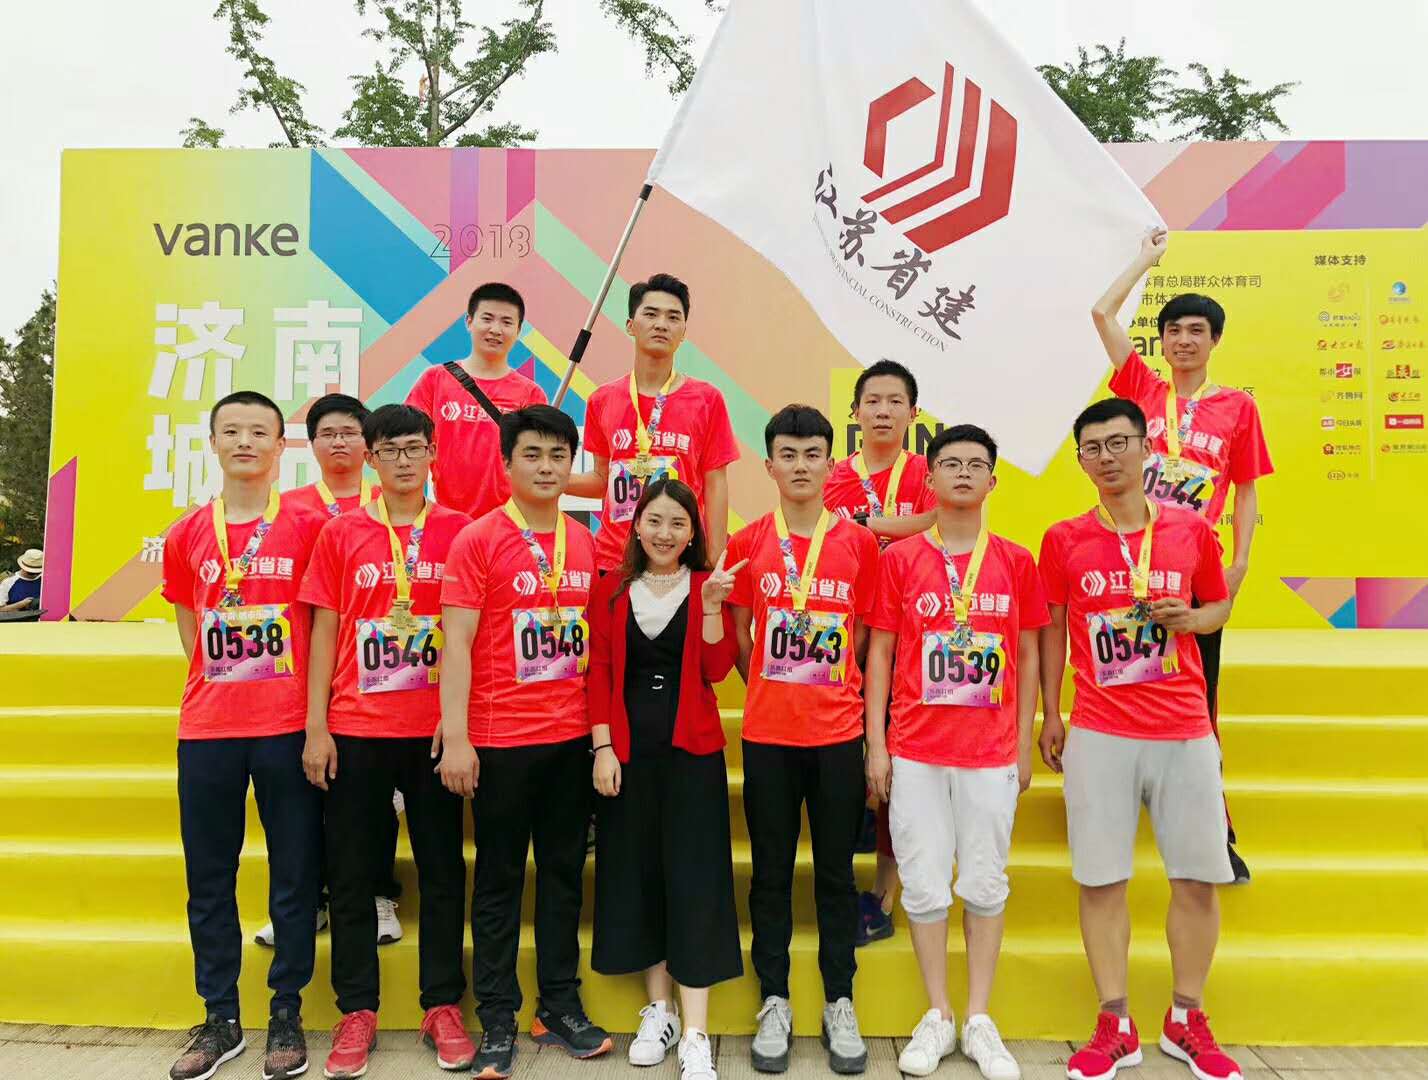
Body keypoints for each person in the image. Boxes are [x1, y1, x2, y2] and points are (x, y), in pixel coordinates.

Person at [1038, 399, 1241, 1080]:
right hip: (1099, 730)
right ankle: (1115, 1021)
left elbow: (1218, 605)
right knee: (1101, 880)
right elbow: (1051, 630)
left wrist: (1193, 620)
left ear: (1145, 447)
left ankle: (1187, 1017)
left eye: (1119, 442)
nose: (1107, 457)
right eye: (1093, 447)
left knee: (1197, 879)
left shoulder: (1190, 529)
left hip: (1184, 728)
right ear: (1081, 460)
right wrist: (1051, 713)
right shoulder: (1063, 539)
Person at [864, 425, 1048, 1080]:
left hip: (991, 752)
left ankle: (978, 1017)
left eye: (976, 464)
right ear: (931, 478)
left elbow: (1028, 654)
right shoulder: (900, 560)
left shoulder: (1016, 562)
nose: (963, 472)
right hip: (915, 749)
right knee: (922, 881)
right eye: (950, 463)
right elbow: (880, 652)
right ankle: (938, 1014)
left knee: (985, 880)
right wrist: (877, 744)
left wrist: (1023, 742)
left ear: (993, 480)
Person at [298, 404, 475, 1078]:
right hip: (357, 729)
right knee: (349, 875)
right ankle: (357, 1010)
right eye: (390, 449)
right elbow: (324, 633)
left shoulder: (460, 531)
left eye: (414, 447)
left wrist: (459, 724)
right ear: (370, 459)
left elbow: (472, 636)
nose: (404, 460)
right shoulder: (341, 533)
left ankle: (442, 1005)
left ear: (433, 453)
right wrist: (317, 727)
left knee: (442, 870)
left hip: (434, 733)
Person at [1092, 229, 1274, 883]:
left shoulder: (1238, 408)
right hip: (1126, 563)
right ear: (1162, 342)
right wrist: (1145, 259)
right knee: (1124, 676)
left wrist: (1240, 562)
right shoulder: (1141, 390)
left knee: (1200, 701)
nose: (1185, 340)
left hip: (1195, 571)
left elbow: (1246, 489)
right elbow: (1102, 314)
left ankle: (1216, 832)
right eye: (1174, 331)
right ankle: (1117, 805)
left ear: (1213, 340)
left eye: (1197, 331)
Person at [437, 404, 611, 1079]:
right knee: (500, 881)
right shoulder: (478, 539)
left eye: (558, 456)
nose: (546, 467)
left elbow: (594, 648)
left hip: (568, 741)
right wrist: (457, 738)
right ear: (506, 464)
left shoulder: (584, 542)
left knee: (564, 877)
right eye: (532, 454)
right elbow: (455, 643)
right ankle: (498, 1017)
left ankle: (558, 1005)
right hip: (499, 739)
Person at [160, 390, 326, 1080]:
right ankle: (220, 1016)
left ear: (281, 446)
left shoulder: (310, 526)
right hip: (208, 729)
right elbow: (189, 623)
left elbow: (326, 624)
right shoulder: (187, 533)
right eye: (232, 431)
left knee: (294, 875)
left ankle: (286, 1009)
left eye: (260, 431)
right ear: (213, 443)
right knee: (208, 878)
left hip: (287, 727)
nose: (245, 442)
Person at [726, 404, 879, 1076]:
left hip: (838, 735)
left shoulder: (860, 544)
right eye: (787, 454)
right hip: (768, 736)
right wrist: (770, 682)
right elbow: (739, 636)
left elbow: (865, 636)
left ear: (829, 463)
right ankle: (775, 999)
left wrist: (832, 688)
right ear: (769, 465)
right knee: (770, 873)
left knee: (838, 874)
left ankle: (840, 998)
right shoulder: (748, 541)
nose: (800, 466)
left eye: (812, 454)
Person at [587, 478, 745, 1080]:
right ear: (635, 525)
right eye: (654, 520)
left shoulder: (707, 586)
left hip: (691, 755)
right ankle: (660, 1012)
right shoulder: (610, 589)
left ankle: (696, 1032)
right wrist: (603, 748)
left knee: (695, 878)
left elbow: (717, 669)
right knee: (640, 874)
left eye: (678, 523)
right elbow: (599, 673)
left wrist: (713, 610)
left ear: (692, 532)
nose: (664, 533)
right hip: (628, 756)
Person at [264, 392, 404, 950]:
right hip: (304, 665)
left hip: (379, 676)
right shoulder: (287, 508)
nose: (339, 441)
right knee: (307, 795)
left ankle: (379, 893)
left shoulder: (393, 499)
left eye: (350, 432)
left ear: (368, 447)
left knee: (374, 796)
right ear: (311, 444)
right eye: (328, 433)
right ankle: (309, 901)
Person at [822, 359, 937, 948]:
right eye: (874, 401)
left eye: (896, 402)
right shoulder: (832, 476)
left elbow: (939, 519)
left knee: (899, 773)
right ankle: (839, 879)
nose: (884, 411)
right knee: (848, 768)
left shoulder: (928, 471)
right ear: (856, 411)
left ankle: (883, 895)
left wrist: (869, 522)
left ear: (913, 413)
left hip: (910, 638)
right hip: (844, 638)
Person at [568, 273, 740, 569]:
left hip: (680, 557)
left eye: (673, 317)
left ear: (683, 331)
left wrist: (714, 557)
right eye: (651, 314)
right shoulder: (602, 399)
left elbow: (715, 483)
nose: (661, 324)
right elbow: (601, 479)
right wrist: (552, 479)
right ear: (630, 325)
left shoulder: (707, 399)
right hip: (614, 558)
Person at [405, 282, 549, 519]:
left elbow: (537, 461)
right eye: (487, 319)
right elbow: (408, 444)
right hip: (447, 518)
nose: (495, 329)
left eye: (506, 322)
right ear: (469, 321)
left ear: (518, 330)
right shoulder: (435, 380)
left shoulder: (531, 393)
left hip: (510, 521)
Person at [0, 548, 43, 612]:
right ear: (22, 567)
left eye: (38, 572)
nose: (35, 575)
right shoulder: (8, 582)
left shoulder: (45, 579)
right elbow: (1, 609)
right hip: (17, 618)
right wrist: (20, 604)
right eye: (31, 572)